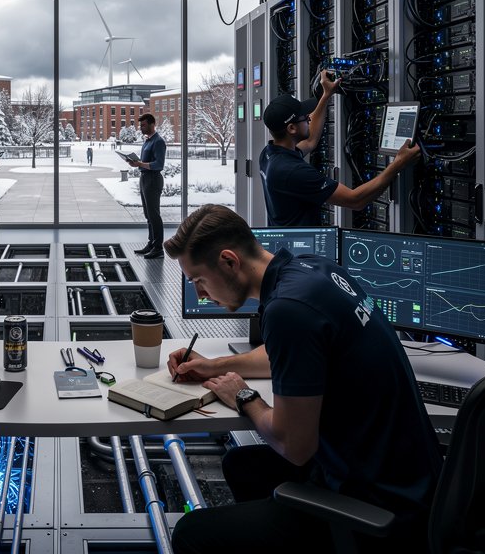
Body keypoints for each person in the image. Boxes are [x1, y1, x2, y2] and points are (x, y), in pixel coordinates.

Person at [163, 204, 442, 554]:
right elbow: (293, 354)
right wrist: (215, 365)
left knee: (192, 533)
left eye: (198, 280)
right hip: (409, 475)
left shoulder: (288, 311)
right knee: (242, 464)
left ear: (229, 261)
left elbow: (294, 447)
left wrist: (245, 397)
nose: (200, 294)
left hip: (378, 502)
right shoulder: (312, 271)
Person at [260, 70, 420, 226]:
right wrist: (398, 164)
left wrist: (326, 95)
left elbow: (310, 141)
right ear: (292, 129)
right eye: (305, 117)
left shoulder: (269, 154)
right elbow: (355, 200)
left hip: (285, 243)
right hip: (300, 249)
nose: (309, 119)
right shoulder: (291, 171)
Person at [126, 113, 166, 259]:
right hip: (144, 179)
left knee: (154, 215)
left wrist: (140, 164)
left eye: (143, 125)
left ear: (152, 124)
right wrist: (135, 163)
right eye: (140, 125)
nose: (141, 128)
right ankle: (151, 243)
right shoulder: (147, 141)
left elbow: (159, 164)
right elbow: (145, 161)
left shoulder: (158, 141)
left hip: (153, 180)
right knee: (148, 215)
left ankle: (158, 248)